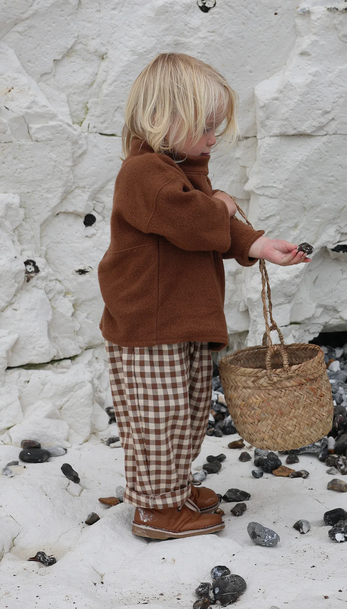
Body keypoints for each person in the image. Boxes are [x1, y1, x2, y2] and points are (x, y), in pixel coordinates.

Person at [98, 53, 311, 540]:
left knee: (189, 410)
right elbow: (194, 220)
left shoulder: (180, 169)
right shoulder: (144, 173)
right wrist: (219, 205)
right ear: (163, 120)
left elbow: (205, 224)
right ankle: (155, 509)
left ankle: (172, 488)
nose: (214, 138)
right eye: (206, 127)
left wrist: (255, 242)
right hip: (149, 324)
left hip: (183, 318)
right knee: (160, 415)